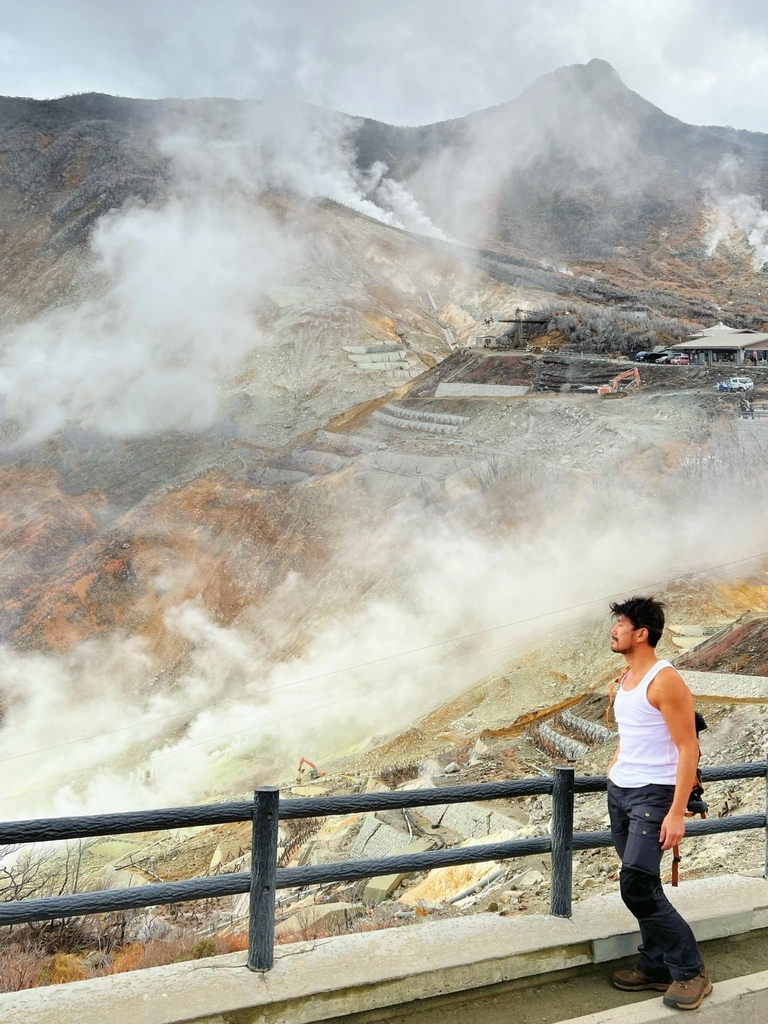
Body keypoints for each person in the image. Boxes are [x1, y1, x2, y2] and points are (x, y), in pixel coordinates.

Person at [606, 596, 712, 1010]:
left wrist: (675, 812)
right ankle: (654, 966)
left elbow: (688, 749)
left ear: (641, 634)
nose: (614, 630)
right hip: (621, 792)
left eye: (621, 624)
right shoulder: (625, 677)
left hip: (654, 796)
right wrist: (618, 763)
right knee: (643, 884)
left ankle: (690, 969)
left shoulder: (664, 680)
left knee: (634, 886)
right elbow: (634, 732)